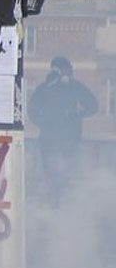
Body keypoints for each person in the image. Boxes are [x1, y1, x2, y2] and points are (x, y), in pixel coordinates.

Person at [29, 56, 98, 208]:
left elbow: (93, 105)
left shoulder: (75, 88)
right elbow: (31, 111)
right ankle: (52, 207)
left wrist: (77, 113)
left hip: (69, 141)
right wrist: (46, 121)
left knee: (67, 177)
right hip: (49, 141)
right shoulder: (45, 88)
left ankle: (62, 208)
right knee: (51, 178)